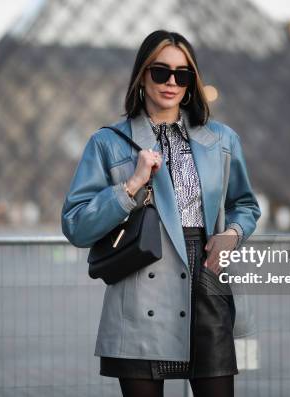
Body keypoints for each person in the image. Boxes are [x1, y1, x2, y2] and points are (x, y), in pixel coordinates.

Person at [61, 30, 261, 397]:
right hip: (140, 294)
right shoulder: (107, 142)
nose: (172, 81)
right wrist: (130, 186)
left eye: (182, 74)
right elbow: (75, 225)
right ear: (141, 75)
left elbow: (246, 205)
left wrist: (232, 234)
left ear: (192, 82)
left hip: (207, 285)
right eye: (161, 72)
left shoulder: (223, 141)